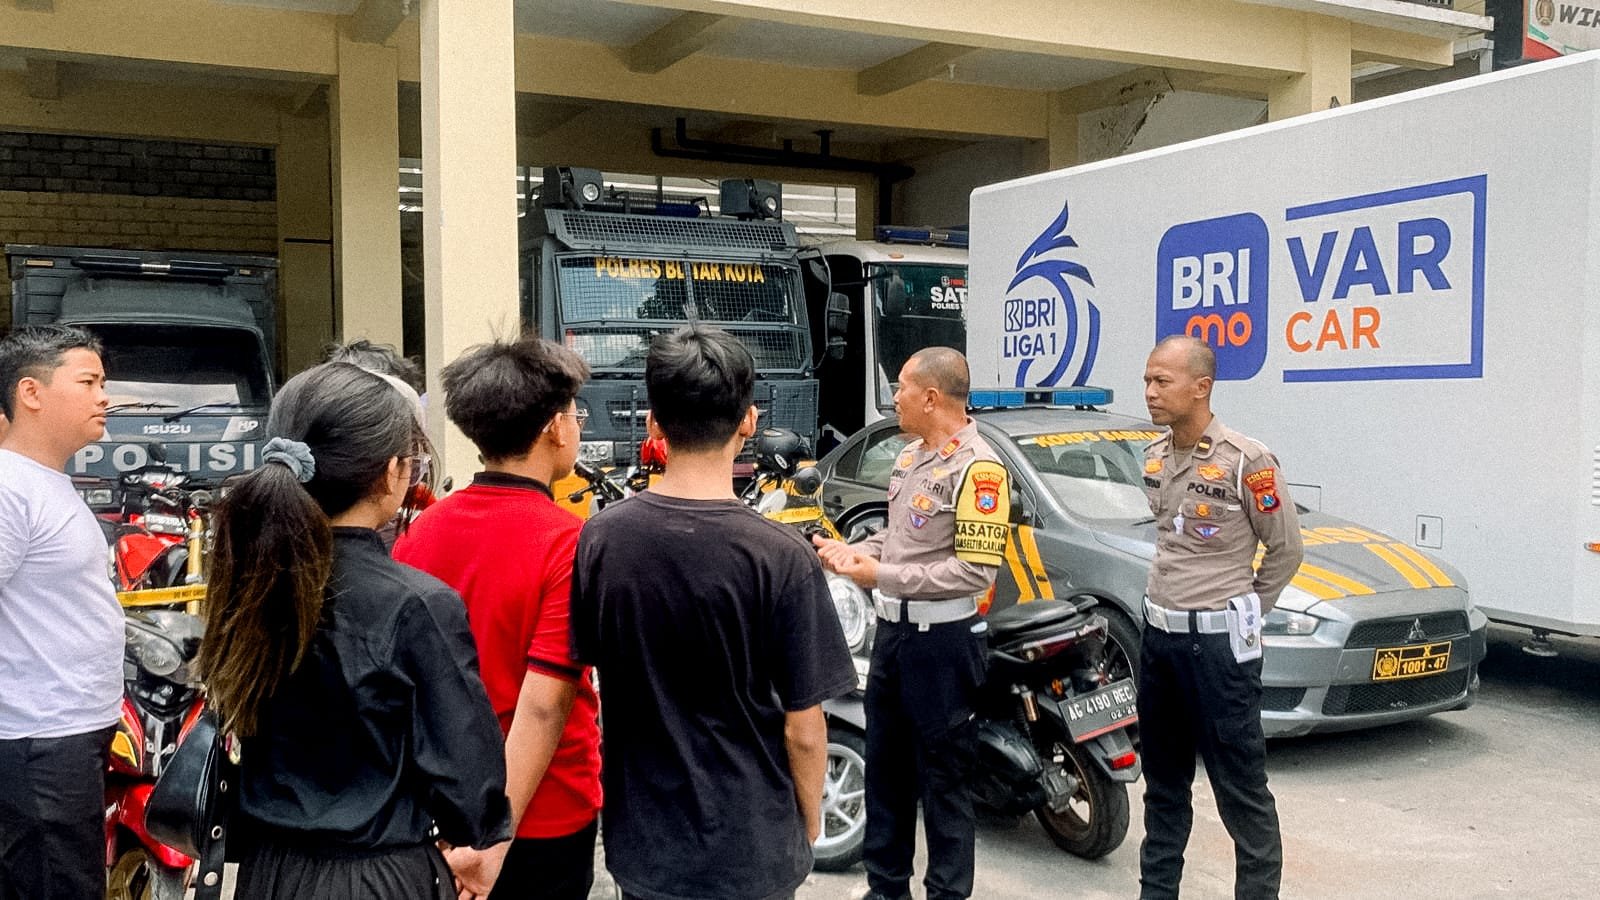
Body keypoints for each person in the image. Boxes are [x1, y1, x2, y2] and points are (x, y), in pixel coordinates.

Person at [197, 361, 511, 900]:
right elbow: (471, 788)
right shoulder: (416, 604)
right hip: (377, 875)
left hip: (267, 873)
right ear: (391, 472)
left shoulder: (248, 581)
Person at [570, 325, 854, 900]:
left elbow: (579, 680)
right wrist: (808, 823)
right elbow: (804, 729)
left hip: (647, 848)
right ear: (749, 421)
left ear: (653, 423)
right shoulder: (782, 555)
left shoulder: (601, 540)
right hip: (754, 847)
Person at [393, 337, 600, 900]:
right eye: (575, 414)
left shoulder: (420, 533)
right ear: (554, 428)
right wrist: (494, 838)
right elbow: (544, 703)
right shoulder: (567, 542)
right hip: (542, 814)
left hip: (437, 806)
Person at [812, 346, 1010, 900]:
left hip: (943, 643)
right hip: (894, 636)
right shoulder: (909, 457)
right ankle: (886, 889)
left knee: (945, 782)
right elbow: (900, 540)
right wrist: (855, 553)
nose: (894, 397)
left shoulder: (979, 469)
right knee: (886, 771)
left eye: (901, 386)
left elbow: (974, 571)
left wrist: (881, 574)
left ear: (931, 397)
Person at [1136, 334, 1303, 900]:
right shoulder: (1155, 456)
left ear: (1201, 388)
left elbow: (1286, 550)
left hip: (1218, 650)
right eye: (1147, 380)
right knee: (1163, 788)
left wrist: (1246, 611)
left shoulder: (1247, 462)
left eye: (1162, 381)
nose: (1150, 391)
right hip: (1160, 643)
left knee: (1241, 792)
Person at [0, 325, 122, 900]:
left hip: (69, 733)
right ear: (31, 392)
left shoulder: (46, 482)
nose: (105, 397)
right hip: (38, 740)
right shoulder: (9, 488)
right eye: (88, 382)